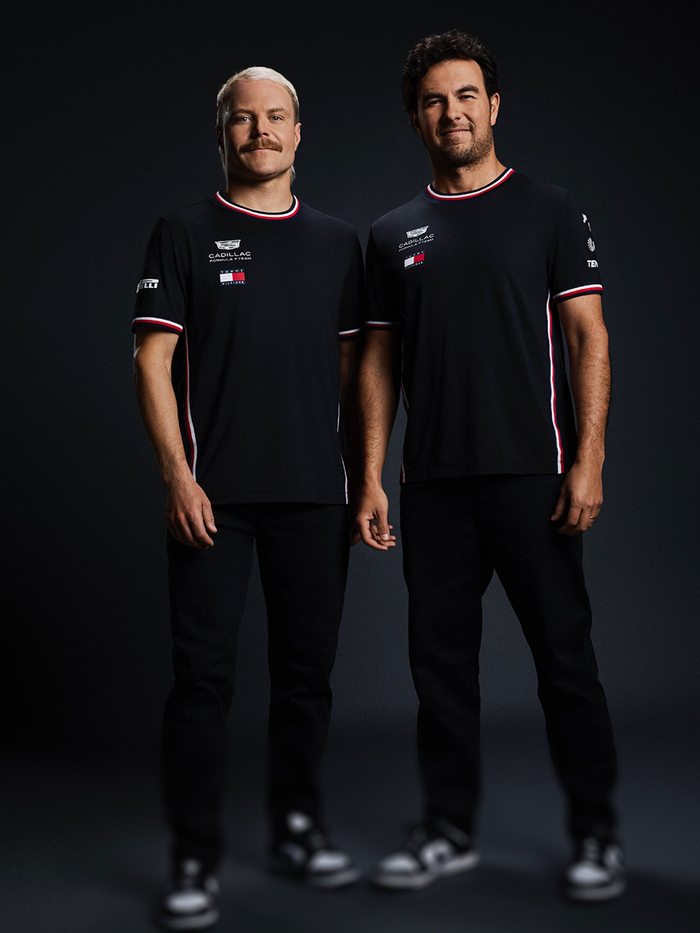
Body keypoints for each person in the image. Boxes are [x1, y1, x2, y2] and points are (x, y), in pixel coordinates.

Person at [356, 30, 624, 902]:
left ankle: (596, 834)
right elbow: (377, 364)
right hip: (434, 486)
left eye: (466, 95)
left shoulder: (550, 210)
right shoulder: (391, 234)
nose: (453, 113)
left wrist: (588, 458)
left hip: (534, 477)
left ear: (494, 105)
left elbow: (587, 337)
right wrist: (370, 473)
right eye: (434, 100)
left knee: (566, 664)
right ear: (415, 118)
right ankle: (448, 829)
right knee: (440, 673)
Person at [133, 66, 363, 931]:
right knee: (203, 681)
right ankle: (194, 855)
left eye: (275, 117)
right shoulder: (183, 233)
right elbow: (152, 362)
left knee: (307, 678)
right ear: (222, 133)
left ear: (298, 133)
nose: (260, 130)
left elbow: (358, 373)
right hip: (212, 500)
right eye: (243, 118)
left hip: (315, 494)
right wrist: (177, 476)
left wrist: (366, 479)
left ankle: (299, 827)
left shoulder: (339, 243)